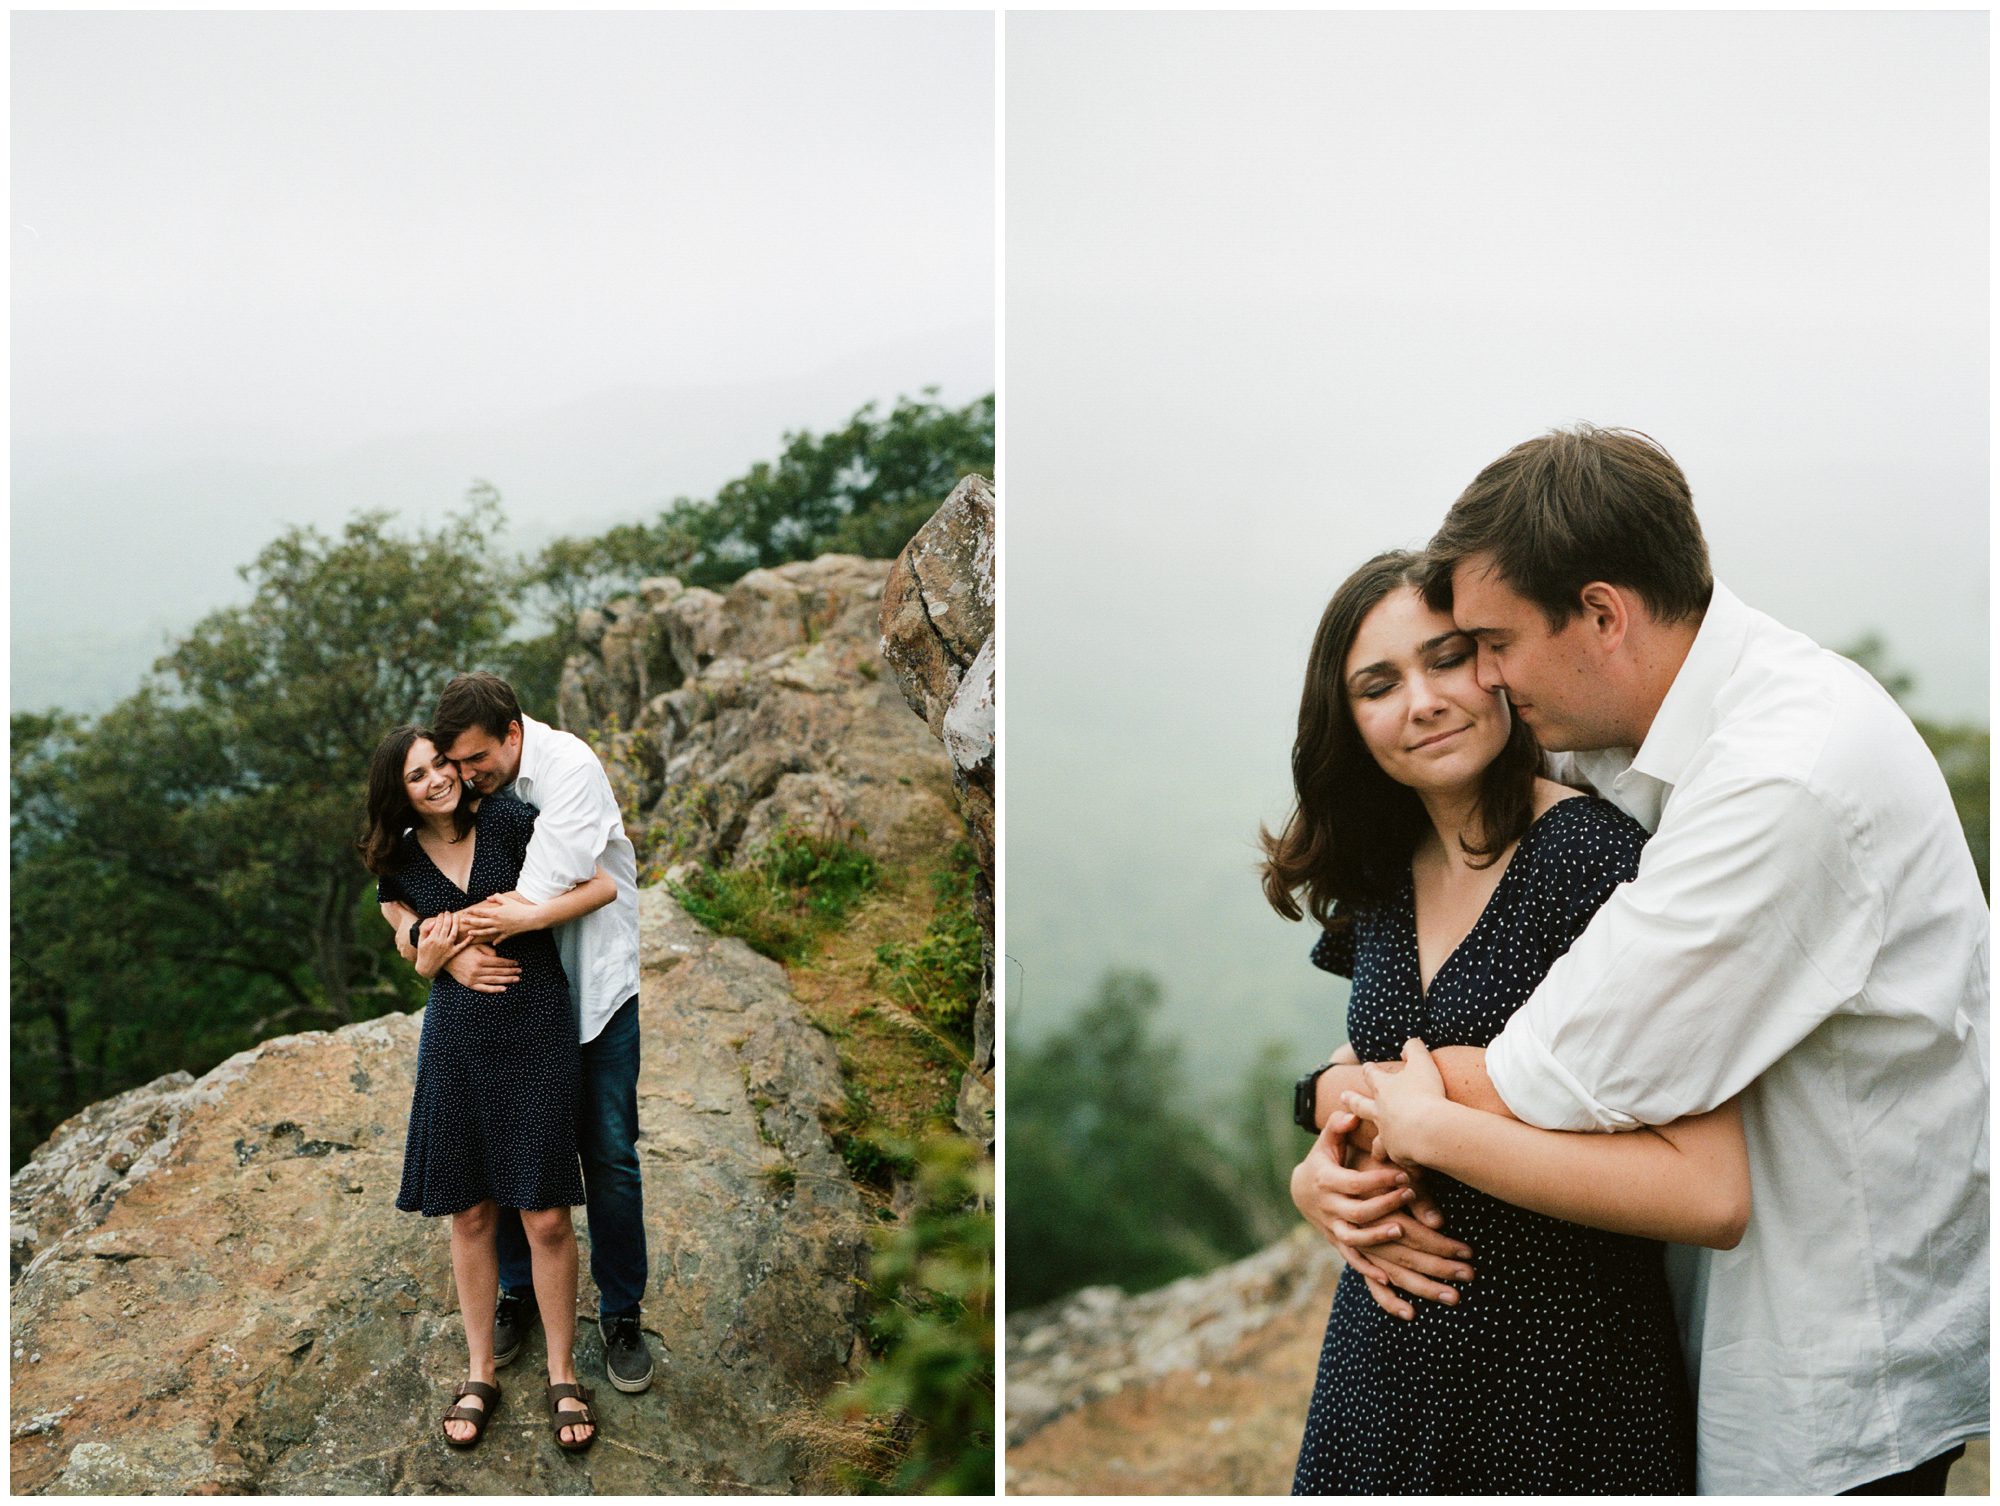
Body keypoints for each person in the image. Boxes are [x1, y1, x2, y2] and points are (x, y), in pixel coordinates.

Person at [1303, 426, 1988, 1495]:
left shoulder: (1780, 778)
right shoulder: (1635, 734)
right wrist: (1328, 1118)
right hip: (1691, 1326)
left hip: (1834, 1346)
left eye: (1487, 643)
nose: (1479, 679)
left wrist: (1367, 1110)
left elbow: (1550, 1068)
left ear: (1601, 615)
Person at [1263, 550, 1750, 1493]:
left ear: (1497, 665)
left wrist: (1434, 1124)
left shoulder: (1592, 863)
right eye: (1379, 684)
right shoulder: (1385, 872)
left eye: (1448, 658)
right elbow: (1376, 1060)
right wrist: (1315, 1173)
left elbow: (1709, 1191)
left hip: (1561, 1379)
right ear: (1348, 721)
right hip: (1381, 1372)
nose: (1423, 701)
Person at [380, 672, 653, 1396]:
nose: (459, 776)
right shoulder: (447, 818)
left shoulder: (562, 777)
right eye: (442, 765)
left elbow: (555, 888)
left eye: (465, 762)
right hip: (489, 1019)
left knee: (608, 1156)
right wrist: (422, 942)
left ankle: (621, 1314)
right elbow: (395, 897)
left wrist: (452, 942)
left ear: (511, 735)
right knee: (493, 1166)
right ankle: (514, 1293)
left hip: (587, 993)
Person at [360, 726, 613, 1452]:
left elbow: (596, 880)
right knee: (468, 1212)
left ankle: (562, 1373)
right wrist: (433, 960)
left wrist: (502, 923)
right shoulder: (400, 861)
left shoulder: (509, 820)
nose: (439, 778)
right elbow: (401, 926)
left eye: (442, 762)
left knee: (544, 1214)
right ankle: (480, 1372)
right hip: (456, 1042)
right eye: (418, 773)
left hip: (534, 1024)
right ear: (398, 791)